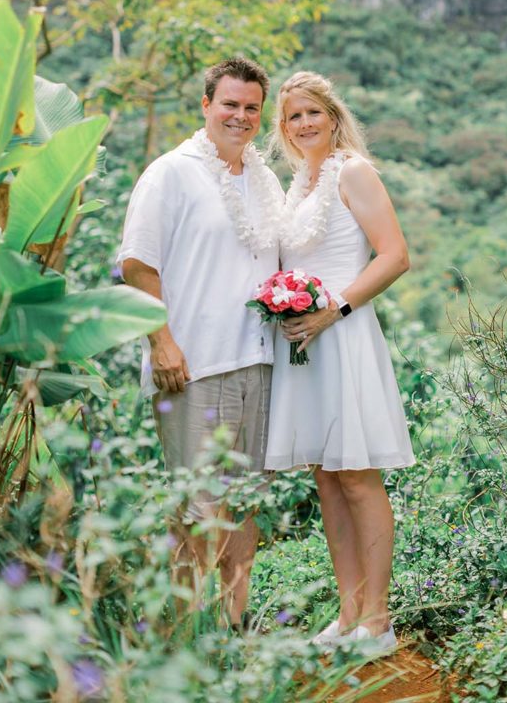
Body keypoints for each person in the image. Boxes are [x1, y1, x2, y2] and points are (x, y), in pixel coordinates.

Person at [117, 58, 283, 628]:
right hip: (192, 365)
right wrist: (162, 343)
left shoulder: (264, 179)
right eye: (229, 104)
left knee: (242, 503)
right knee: (197, 507)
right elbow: (138, 264)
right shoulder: (171, 172)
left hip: (259, 363)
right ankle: (184, 633)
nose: (240, 116)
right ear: (206, 105)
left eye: (251, 107)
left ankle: (232, 628)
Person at [265, 71, 415, 655]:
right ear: (284, 127)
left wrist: (334, 309)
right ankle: (348, 611)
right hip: (304, 342)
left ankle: (378, 619)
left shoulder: (353, 171)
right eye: (293, 117)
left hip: (342, 332)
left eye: (312, 113)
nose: (304, 124)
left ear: (332, 116)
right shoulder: (297, 184)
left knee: (355, 473)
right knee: (326, 475)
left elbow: (396, 255)